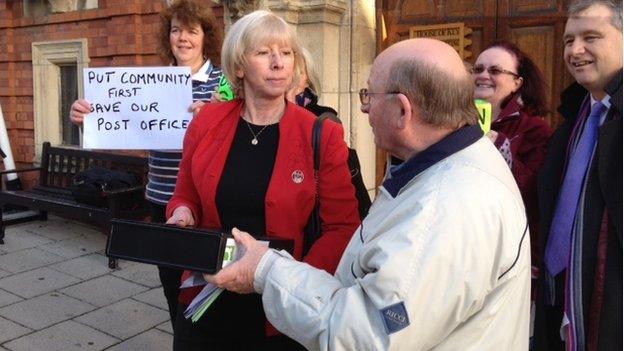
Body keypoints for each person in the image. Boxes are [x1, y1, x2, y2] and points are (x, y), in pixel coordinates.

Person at [205, 38, 531, 350]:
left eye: (369, 96)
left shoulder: (446, 210)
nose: (364, 109)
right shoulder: (444, 165)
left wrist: (265, 269)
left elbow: (365, 334)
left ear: (403, 111)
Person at [165, 10, 360, 350]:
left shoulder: (321, 134)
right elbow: (185, 194)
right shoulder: (206, 122)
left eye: (286, 53)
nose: (278, 63)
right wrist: (182, 213)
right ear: (239, 66)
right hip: (207, 295)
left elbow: (343, 227)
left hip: (281, 312)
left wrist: (288, 282)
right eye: (263, 52)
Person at [68, 0, 223, 327]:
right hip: (160, 199)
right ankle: (181, 339)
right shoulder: (152, 83)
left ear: (204, 37)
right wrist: (88, 119)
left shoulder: (222, 84)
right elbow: (120, 119)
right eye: (176, 30)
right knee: (170, 284)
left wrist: (216, 115)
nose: (182, 38)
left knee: (208, 287)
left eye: (191, 31)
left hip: (206, 204)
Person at [535, 0, 622, 350]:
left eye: (591, 37)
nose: (575, 50)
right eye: (569, 40)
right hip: (563, 302)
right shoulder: (573, 121)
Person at [472, 41, 552, 286]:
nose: (484, 75)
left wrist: (498, 144)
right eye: (478, 69)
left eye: (495, 70)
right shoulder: (455, 121)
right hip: (466, 248)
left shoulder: (534, 129)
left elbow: (532, 190)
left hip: (509, 256)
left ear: (517, 83)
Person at [288, 47, 372, 218]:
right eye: (288, 72)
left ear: (308, 80)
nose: (292, 79)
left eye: (299, 73)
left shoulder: (323, 120)